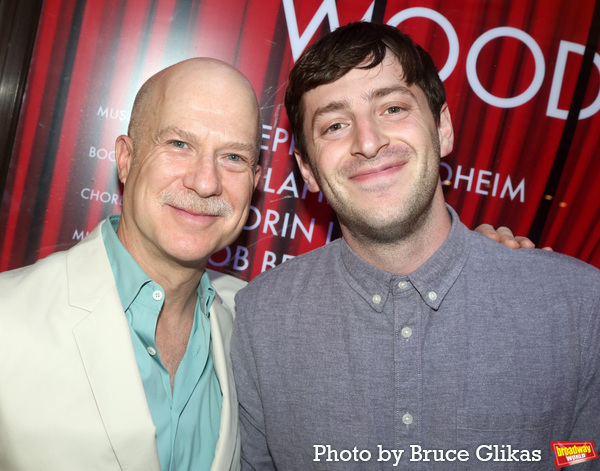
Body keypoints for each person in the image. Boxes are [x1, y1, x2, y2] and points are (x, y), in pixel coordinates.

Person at [231, 22, 600, 470]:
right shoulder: (259, 321)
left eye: (391, 108)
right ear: (307, 169)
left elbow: (582, 458)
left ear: (442, 127)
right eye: (334, 125)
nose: (368, 142)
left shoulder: (579, 308)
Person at [0, 58, 262, 471]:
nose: (206, 181)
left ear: (255, 181)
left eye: (233, 157)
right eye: (179, 145)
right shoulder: (7, 319)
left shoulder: (255, 328)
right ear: (125, 159)